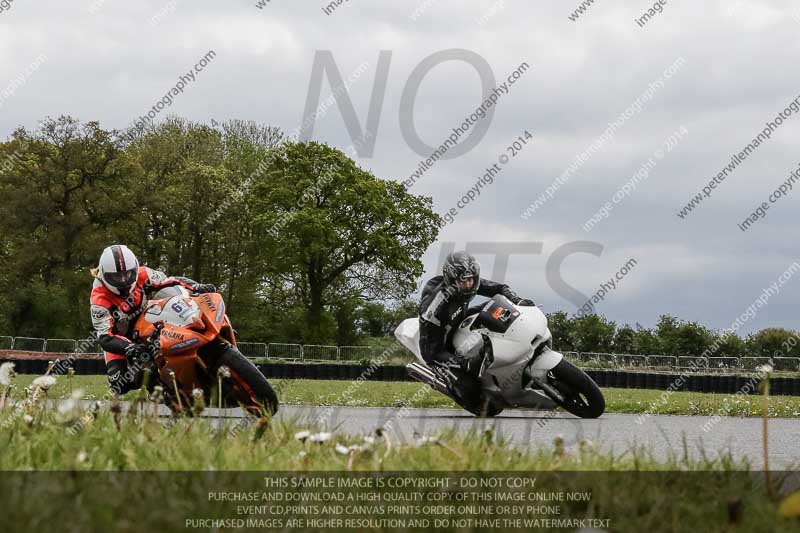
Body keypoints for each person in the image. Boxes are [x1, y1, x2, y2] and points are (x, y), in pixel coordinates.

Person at [90, 245, 216, 394]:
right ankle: (159, 389)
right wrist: (130, 348)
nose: (124, 280)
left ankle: (209, 333)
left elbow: (171, 281)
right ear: (104, 275)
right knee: (119, 385)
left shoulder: (144, 274)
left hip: (147, 317)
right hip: (120, 336)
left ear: (135, 269)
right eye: (116, 277)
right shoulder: (99, 299)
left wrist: (196, 287)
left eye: (128, 274)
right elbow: (105, 337)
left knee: (171, 296)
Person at [418, 251, 535, 408]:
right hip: (437, 344)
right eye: (463, 281)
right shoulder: (437, 301)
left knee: (496, 305)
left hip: (459, 320)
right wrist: (464, 363)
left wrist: (517, 300)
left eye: (471, 280)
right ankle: (459, 383)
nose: (468, 285)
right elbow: (430, 347)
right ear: (451, 281)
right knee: (470, 389)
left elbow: (499, 288)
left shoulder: (470, 282)